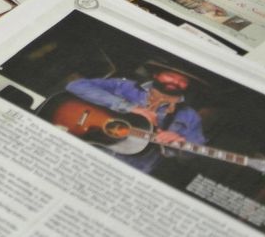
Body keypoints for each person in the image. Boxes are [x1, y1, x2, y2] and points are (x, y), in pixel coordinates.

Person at [64, 65, 206, 174]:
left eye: (183, 80)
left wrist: (180, 143)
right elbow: (76, 86)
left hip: (128, 170)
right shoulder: (126, 86)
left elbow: (191, 157)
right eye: (170, 75)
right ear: (156, 75)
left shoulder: (190, 116)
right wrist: (129, 108)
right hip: (85, 151)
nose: (175, 82)